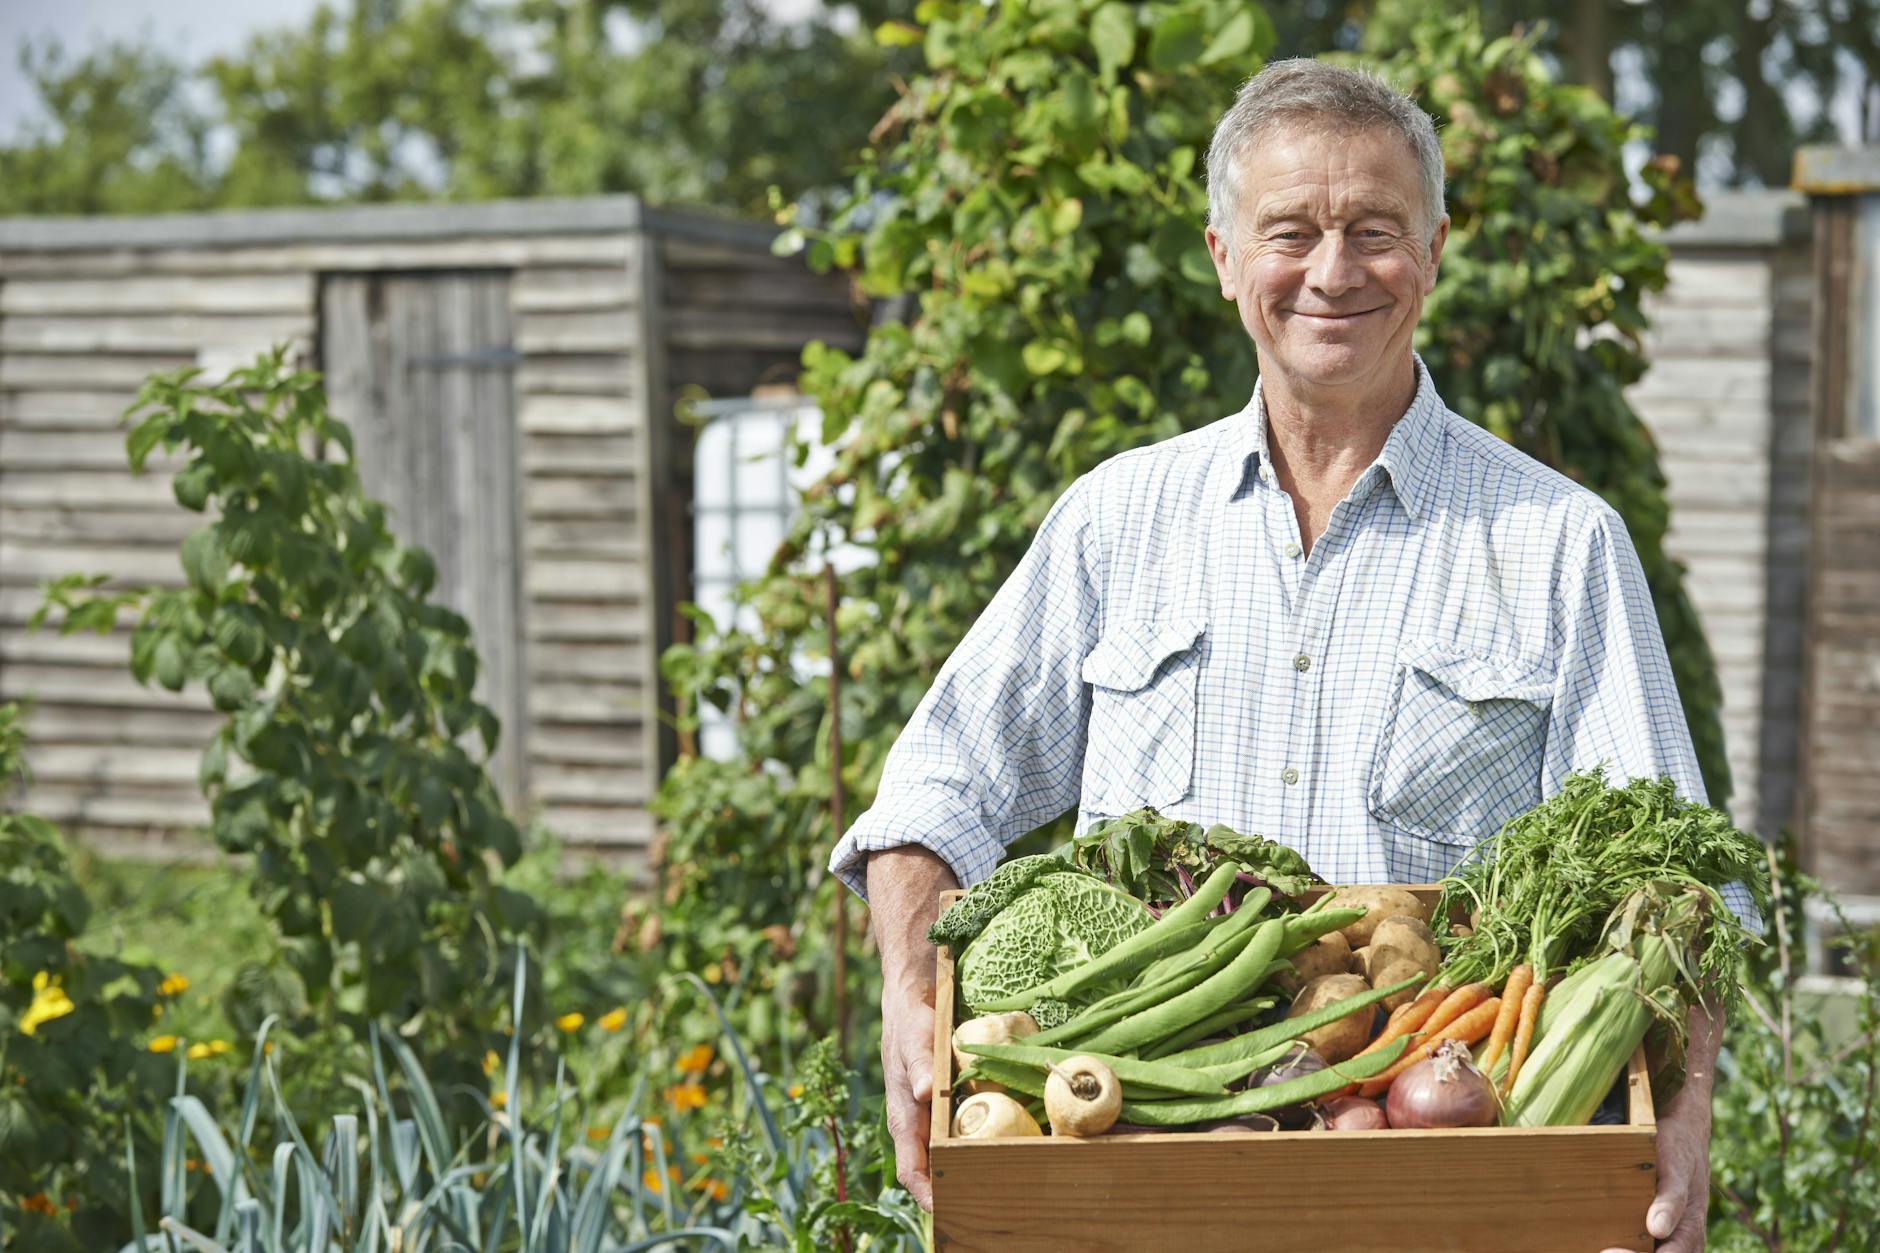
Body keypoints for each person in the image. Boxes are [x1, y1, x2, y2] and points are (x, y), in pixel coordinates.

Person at [828, 58, 1754, 1253]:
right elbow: (933, 789)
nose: (1331, 270)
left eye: (1373, 229)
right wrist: (913, 1000)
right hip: (1134, 1186)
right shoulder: (1119, 521)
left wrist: (1678, 1115)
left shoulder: (1556, 543)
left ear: (1430, 249)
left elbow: (1671, 878)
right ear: (1223, 257)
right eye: (1290, 231)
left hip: (1436, 1189)